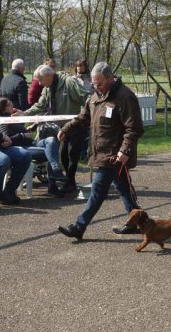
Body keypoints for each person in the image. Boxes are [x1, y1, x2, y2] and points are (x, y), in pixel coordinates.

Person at [56, 62, 145, 241]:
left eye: (100, 84)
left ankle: (79, 226)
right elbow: (83, 118)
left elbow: (134, 128)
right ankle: (139, 223)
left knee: (97, 191)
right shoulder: (95, 96)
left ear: (111, 78)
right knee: (124, 189)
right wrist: (66, 129)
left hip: (113, 156)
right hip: (100, 152)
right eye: (94, 84)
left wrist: (125, 151)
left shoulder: (125, 96)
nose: (96, 87)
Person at [21, 65, 90, 193]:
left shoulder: (69, 82)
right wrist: (25, 114)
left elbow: (87, 98)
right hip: (61, 128)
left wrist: (82, 116)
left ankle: (71, 182)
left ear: (49, 76)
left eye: (41, 80)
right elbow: (40, 105)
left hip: (75, 125)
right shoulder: (48, 88)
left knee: (71, 155)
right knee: (63, 154)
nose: (40, 83)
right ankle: (68, 181)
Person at [0, 97, 66, 197]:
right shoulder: (1, 121)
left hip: (32, 144)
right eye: (9, 104)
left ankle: (56, 170)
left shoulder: (11, 118)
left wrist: (33, 126)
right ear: (2, 108)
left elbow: (24, 133)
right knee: (52, 152)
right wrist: (22, 135)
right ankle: (53, 186)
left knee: (51, 140)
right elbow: (7, 140)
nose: (13, 105)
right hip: (21, 149)